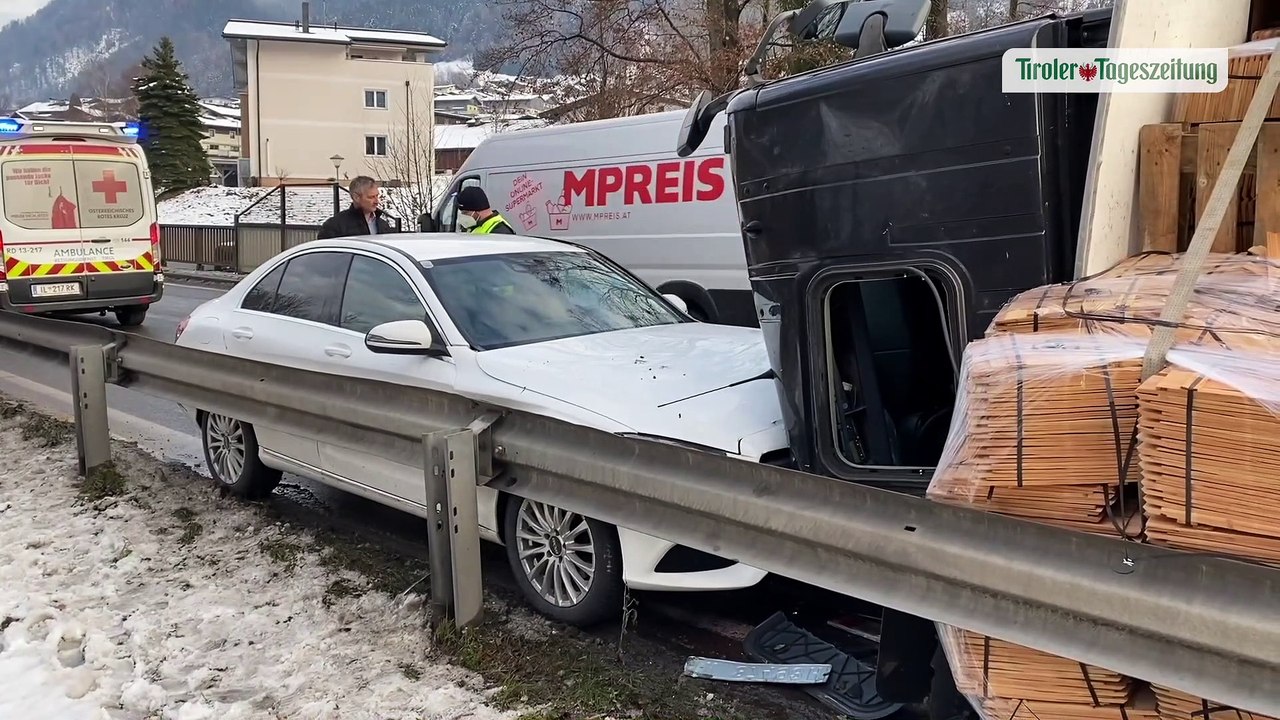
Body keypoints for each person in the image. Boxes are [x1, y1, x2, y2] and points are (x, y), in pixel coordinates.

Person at [317, 176, 396, 239]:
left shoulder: (383, 225)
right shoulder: (335, 226)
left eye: (377, 196)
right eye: (371, 197)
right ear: (356, 197)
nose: (376, 201)